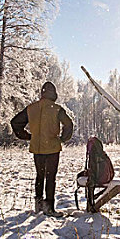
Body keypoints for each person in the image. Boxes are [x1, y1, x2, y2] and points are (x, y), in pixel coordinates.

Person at [11, 82, 73, 217]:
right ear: (54, 94)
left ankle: (38, 206)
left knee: (40, 176)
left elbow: (15, 122)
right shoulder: (57, 109)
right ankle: (49, 208)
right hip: (52, 148)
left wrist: (28, 136)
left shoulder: (31, 108)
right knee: (50, 178)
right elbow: (68, 124)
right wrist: (62, 139)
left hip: (37, 148)